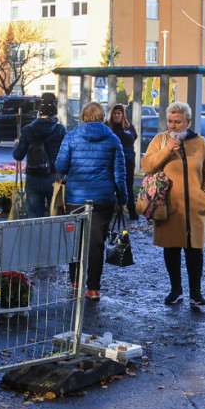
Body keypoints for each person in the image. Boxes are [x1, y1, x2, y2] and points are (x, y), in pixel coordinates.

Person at [141, 101, 205, 307]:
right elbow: (147, 166)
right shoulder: (160, 140)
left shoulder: (199, 142)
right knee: (171, 248)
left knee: (195, 250)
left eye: (177, 122)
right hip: (168, 206)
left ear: (188, 122)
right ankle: (176, 290)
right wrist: (166, 150)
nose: (173, 126)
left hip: (194, 206)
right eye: (170, 121)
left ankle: (196, 293)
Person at [54, 102, 127, 302]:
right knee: (96, 244)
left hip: (75, 199)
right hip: (103, 199)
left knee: (75, 240)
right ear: (103, 117)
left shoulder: (70, 137)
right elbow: (120, 175)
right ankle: (93, 288)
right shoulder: (113, 140)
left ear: (83, 117)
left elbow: (60, 165)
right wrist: (123, 200)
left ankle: (75, 281)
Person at [11, 92, 66, 218]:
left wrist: (17, 144)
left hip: (33, 178)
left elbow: (18, 155)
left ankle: (36, 237)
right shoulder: (60, 130)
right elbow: (67, 154)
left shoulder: (27, 130)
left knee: (34, 218)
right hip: (54, 177)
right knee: (56, 215)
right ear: (54, 113)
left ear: (39, 113)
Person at [107, 104, 138, 220]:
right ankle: (114, 209)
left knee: (128, 185)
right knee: (112, 184)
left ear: (123, 114)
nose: (116, 115)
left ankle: (131, 210)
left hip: (128, 160)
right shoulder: (107, 127)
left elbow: (134, 137)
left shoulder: (129, 127)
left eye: (119, 113)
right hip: (112, 159)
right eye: (114, 113)